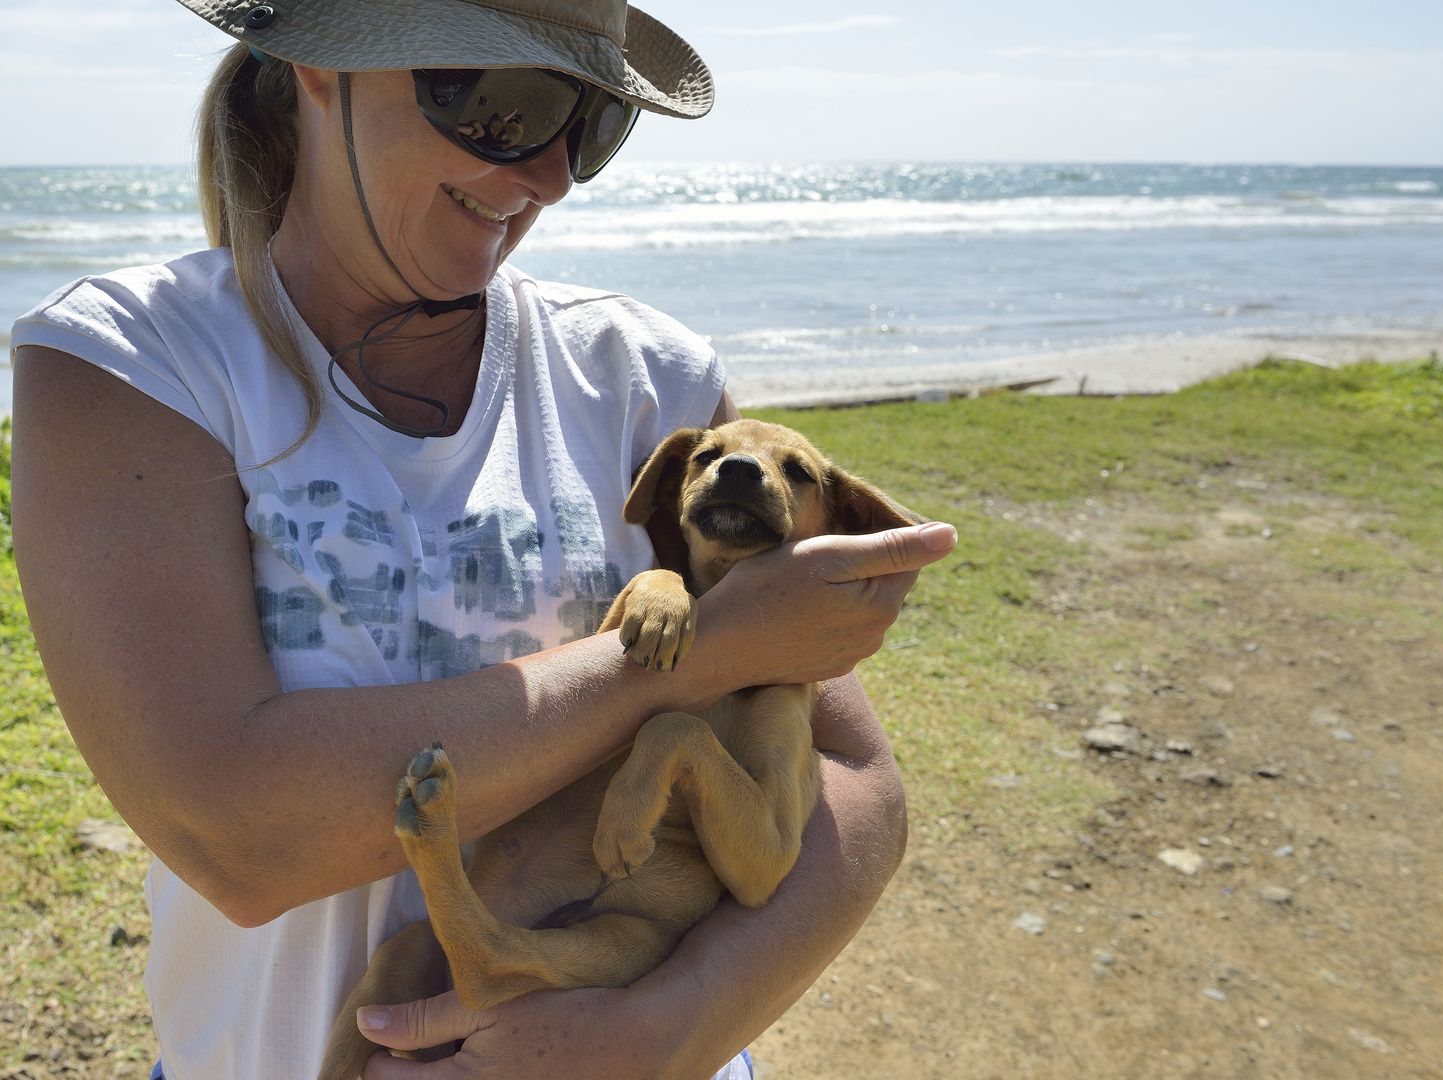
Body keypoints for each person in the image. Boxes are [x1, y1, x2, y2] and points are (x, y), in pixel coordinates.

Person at [7, 1, 957, 1077]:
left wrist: (668, 1030)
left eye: (588, 122)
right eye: (507, 106)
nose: (551, 176)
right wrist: (694, 660)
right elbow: (237, 834)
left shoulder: (644, 377)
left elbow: (853, 778)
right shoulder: (133, 364)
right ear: (324, 59)